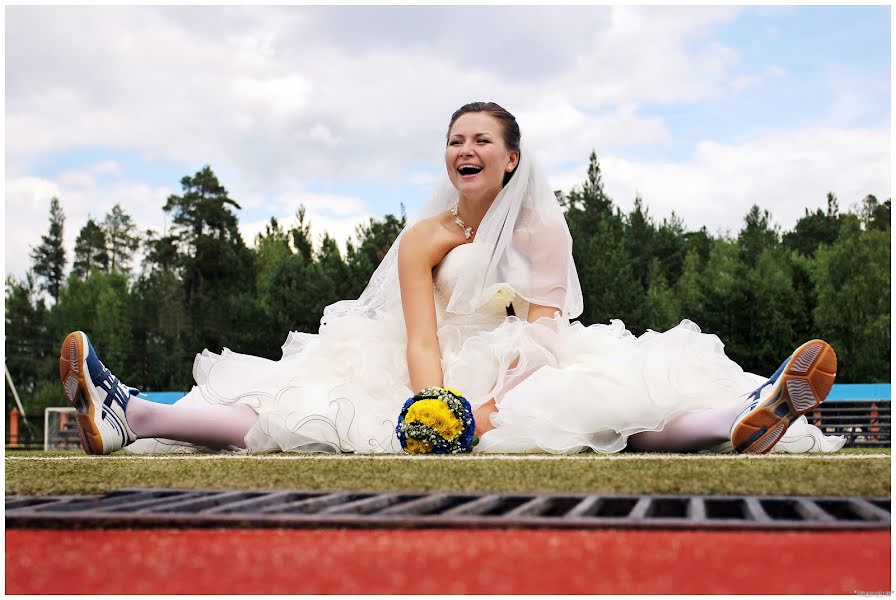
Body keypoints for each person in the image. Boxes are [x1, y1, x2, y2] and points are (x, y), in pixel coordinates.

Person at [58, 101, 845, 456]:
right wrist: (433, 404)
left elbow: (544, 328)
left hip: (523, 360)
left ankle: (743, 415)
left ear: (511, 155)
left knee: (591, 406)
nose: (464, 149)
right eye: (454, 140)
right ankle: (134, 415)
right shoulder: (424, 235)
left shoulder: (541, 227)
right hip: (426, 366)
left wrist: (495, 404)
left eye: (481, 139)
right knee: (316, 412)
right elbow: (421, 331)